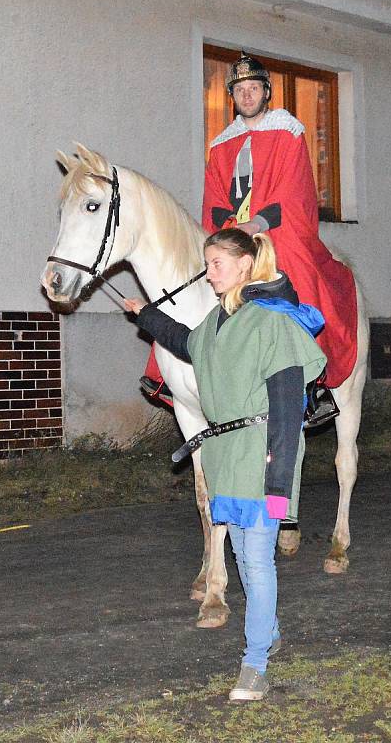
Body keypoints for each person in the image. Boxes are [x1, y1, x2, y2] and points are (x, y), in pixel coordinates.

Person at [124, 229, 326, 701]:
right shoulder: (219, 321)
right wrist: (146, 314)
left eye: (216, 263)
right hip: (225, 454)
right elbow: (187, 342)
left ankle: (255, 665)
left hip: (260, 452)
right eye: (208, 262)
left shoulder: (272, 322)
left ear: (245, 266)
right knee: (242, 556)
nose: (208, 272)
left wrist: (280, 480)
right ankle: (269, 630)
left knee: (256, 560)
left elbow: (286, 408)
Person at [202, 51, 358, 395]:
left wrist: (255, 225)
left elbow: (294, 188)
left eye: (253, 88)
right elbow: (214, 195)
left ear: (266, 92)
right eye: (240, 89)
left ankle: (310, 375)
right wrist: (225, 231)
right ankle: (185, 370)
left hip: (274, 230)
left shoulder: (287, 131)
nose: (247, 95)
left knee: (297, 273)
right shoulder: (221, 145)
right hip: (232, 235)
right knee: (199, 282)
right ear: (231, 96)